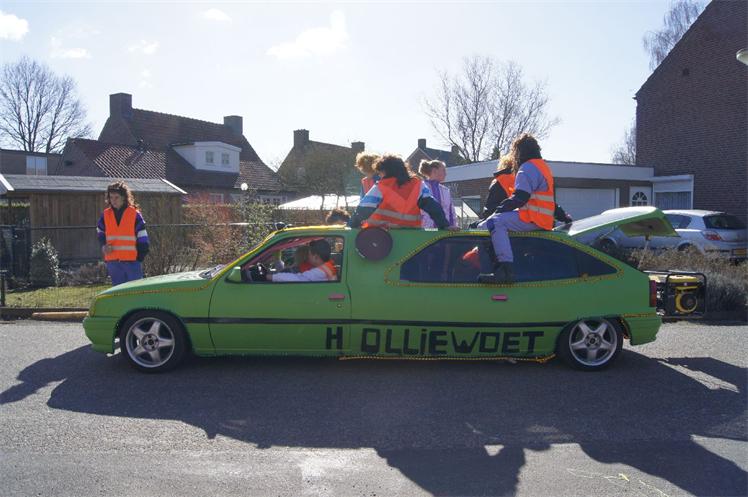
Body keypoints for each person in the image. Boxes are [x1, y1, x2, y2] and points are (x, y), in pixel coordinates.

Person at [477, 134, 561, 284]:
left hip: (533, 218)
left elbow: (520, 197)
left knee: (494, 222)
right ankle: (500, 266)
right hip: (542, 219)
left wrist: (499, 211)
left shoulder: (527, 168)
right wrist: (564, 216)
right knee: (483, 226)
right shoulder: (542, 167)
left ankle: (505, 271)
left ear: (519, 151)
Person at [348, 154, 455, 230]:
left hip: (384, 236)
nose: (379, 175)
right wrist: (444, 225)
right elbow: (433, 206)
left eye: (380, 172)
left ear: (386, 171)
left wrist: (352, 224)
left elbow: (364, 208)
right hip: (412, 235)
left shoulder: (381, 186)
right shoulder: (418, 185)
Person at [97, 181, 149, 286]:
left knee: (135, 291)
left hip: (132, 261)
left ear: (124, 198)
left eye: (116, 197)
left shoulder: (134, 214)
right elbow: (100, 231)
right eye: (111, 197)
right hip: (113, 262)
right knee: (118, 292)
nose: (113, 200)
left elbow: (142, 237)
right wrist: (104, 245)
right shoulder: (106, 215)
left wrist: (139, 258)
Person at [268, 239, 337, 282]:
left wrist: (271, 277)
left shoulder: (321, 271)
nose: (308, 257)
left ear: (316, 257)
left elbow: (298, 278)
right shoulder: (329, 266)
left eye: (309, 254)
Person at [418, 160, 458, 229]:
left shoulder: (446, 191)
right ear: (434, 171)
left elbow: (451, 212)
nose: (446, 174)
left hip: (444, 231)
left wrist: (453, 227)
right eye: (443, 170)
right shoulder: (420, 187)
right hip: (426, 231)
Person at [480, 156, 516, 220]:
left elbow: (490, 206)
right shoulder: (519, 179)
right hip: (515, 216)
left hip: (498, 217)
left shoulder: (498, 181)